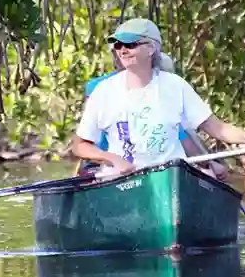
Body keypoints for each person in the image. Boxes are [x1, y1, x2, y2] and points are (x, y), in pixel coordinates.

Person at [71, 17, 245, 177]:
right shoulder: (103, 91)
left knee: (210, 175)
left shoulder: (175, 86)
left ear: (151, 48)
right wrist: (113, 159)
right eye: (118, 45)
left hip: (171, 175)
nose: (122, 50)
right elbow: (80, 145)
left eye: (130, 44)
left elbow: (215, 127)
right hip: (123, 178)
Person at [75, 52, 230, 181]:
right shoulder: (101, 88)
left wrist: (208, 164)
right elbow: (84, 137)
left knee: (206, 175)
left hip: (151, 169)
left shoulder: (166, 92)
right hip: (106, 164)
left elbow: (185, 138)